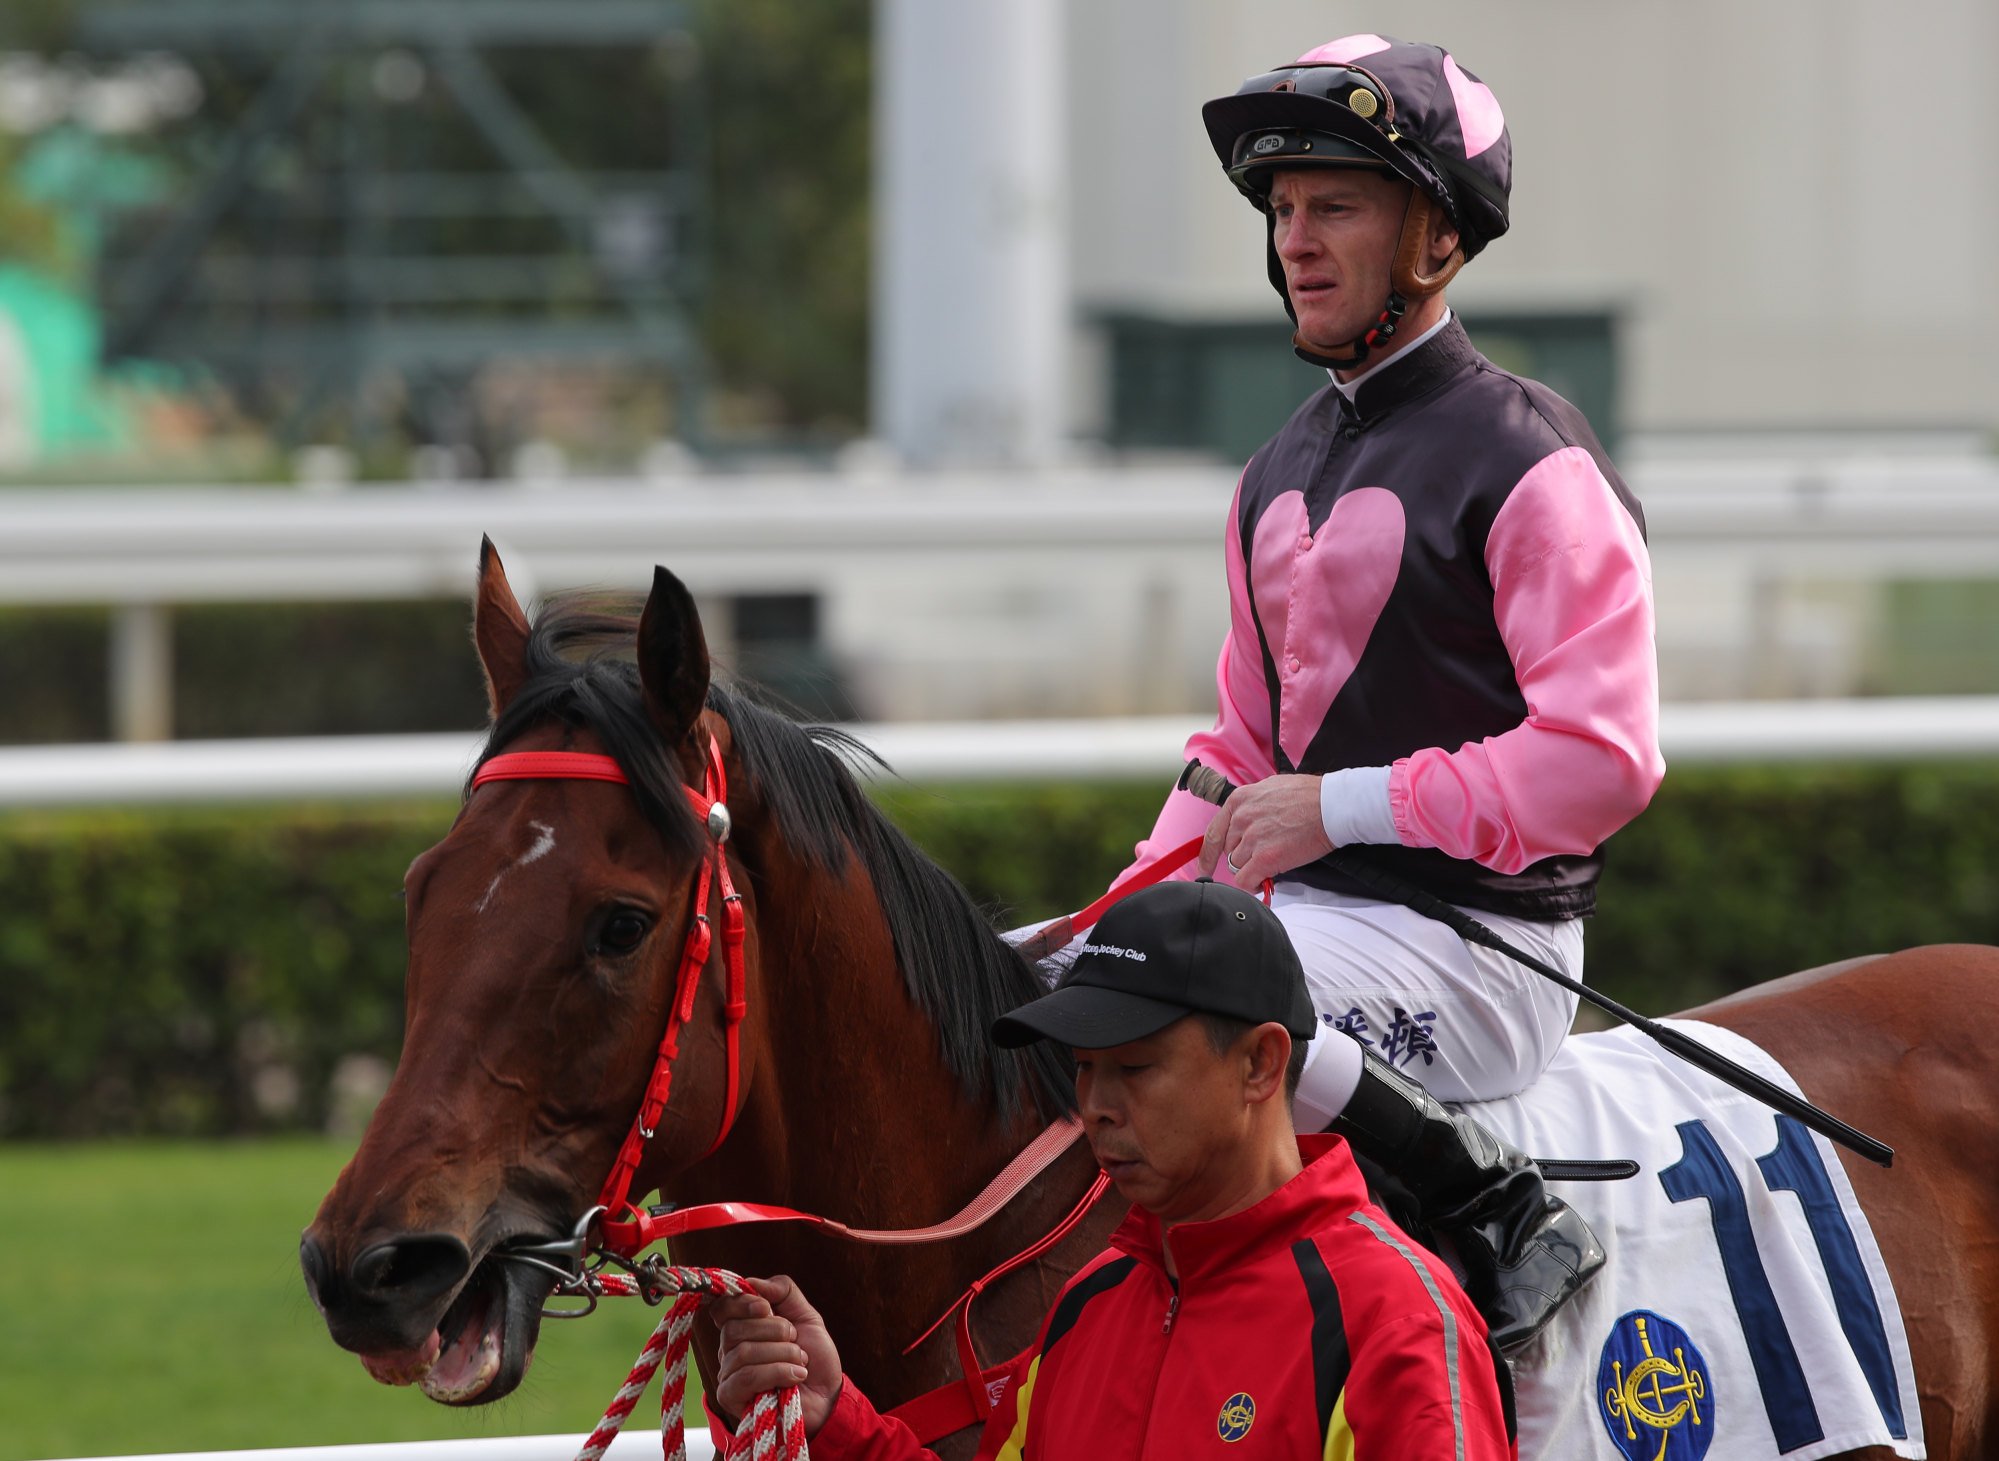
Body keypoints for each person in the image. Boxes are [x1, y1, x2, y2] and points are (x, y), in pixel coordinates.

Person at [1107, 35, 1666, 1349]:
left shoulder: (1529, 459)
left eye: (1335, 207)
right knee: (1028, 987)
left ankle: (1495, 1207)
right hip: (1300, 924)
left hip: (1481, 948)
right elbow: (1236, 748)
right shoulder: (1269, 473)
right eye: (1282, 210)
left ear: (1431, 240)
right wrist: (1131, 901)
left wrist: (1339, 809)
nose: (1296, 240)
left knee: (1189, 1007)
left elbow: (1600, 760)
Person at [709, 879, 1517, 1460]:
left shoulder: (1391, 1321)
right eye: (1083, 1067)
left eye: (1132, 1066)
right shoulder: (1087, 1307)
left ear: (1261, 1064)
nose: (1093, 1103)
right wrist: (834, 1416)